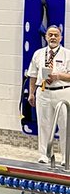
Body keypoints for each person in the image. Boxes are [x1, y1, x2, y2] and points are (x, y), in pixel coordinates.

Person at [26, 24, 70, 164]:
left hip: (62, 92)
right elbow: (32, 75)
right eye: (50, 35)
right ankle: (44, 155)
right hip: (43, 92)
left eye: (56, 35)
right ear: (45, 36)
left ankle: (65, 157)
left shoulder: (67, 54)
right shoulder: (38, 54)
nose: (53, 37)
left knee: (65, 125)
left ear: (61, 38)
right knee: (44, 124)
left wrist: (58, 76)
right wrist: (31, 93)